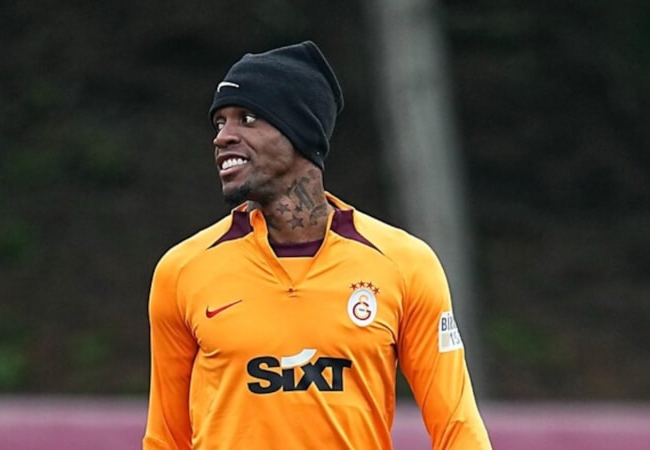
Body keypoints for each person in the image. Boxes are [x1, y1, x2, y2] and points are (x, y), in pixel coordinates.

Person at [143, 40, 492, 450]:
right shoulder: (182, 270)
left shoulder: (404, 264)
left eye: (246, 118)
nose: (223, 137)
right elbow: (165, 439)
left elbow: (457, 428)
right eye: (219, 123)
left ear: (299, 130)